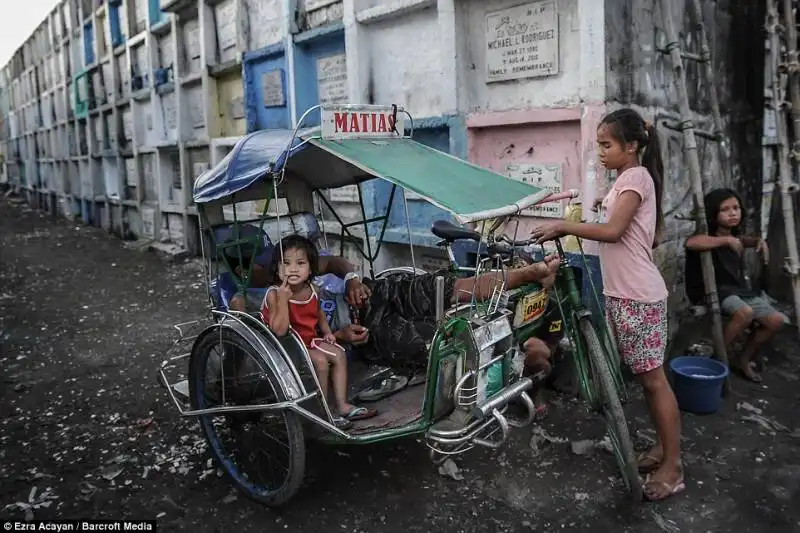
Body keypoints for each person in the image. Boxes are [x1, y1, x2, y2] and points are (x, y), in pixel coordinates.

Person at [530, 108, 684, 501]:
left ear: (631, 146)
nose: (600, 152)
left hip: (638, 295)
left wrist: (564, 225)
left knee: (654, 381)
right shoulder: (628, 180)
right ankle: (663, 450)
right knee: (649, 381)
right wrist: (605, 202)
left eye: (606, 145)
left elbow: (614, 232)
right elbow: (630, 227)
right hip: (625, 292)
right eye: (598, 144)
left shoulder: (635, 177)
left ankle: (673, 466)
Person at [261, 234, 378, 428]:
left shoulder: (312, 289)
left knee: (339, 354)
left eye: (300, 263)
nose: (293, 269)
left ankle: (341, 405)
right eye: (286, 263)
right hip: (285, 345)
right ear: (277, 267)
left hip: (308, 340)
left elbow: (319, 313)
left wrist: (327, 333)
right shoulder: (275, 294)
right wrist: (283, 299)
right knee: (322, 362)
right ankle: (322, 412)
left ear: (310, 268)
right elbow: (279, 331)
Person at [685, 188, 788, 383]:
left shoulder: (735, 237)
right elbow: (691, 243)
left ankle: (744, 359)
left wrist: (759, 241)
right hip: (713, 291)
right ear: (713, 213)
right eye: (725, 209)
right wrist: (725, 240)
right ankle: (717, 358)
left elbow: (743, 241)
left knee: (776, 320)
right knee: (745, 313)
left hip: (738, 291)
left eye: (736, 208)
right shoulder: (707, 236)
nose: (733, 213)